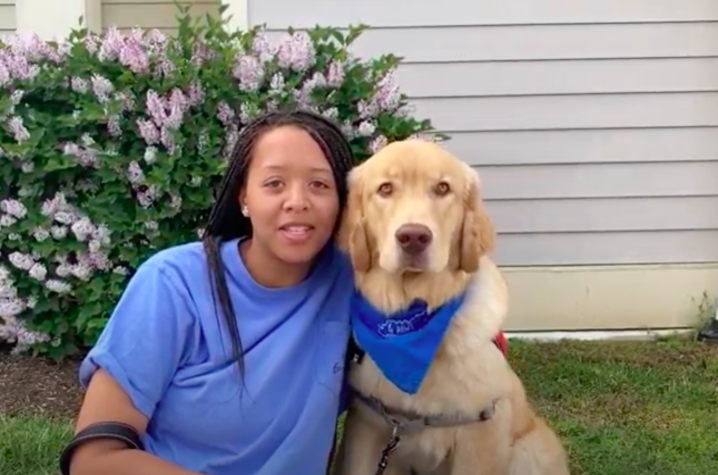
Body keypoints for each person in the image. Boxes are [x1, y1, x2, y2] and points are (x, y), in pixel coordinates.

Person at [60, 108, 356, 475]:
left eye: (320, 185)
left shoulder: (355, 281)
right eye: (274, 183)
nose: (297, 201)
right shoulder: (173, 284)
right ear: (243, 197)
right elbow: (93, 460)